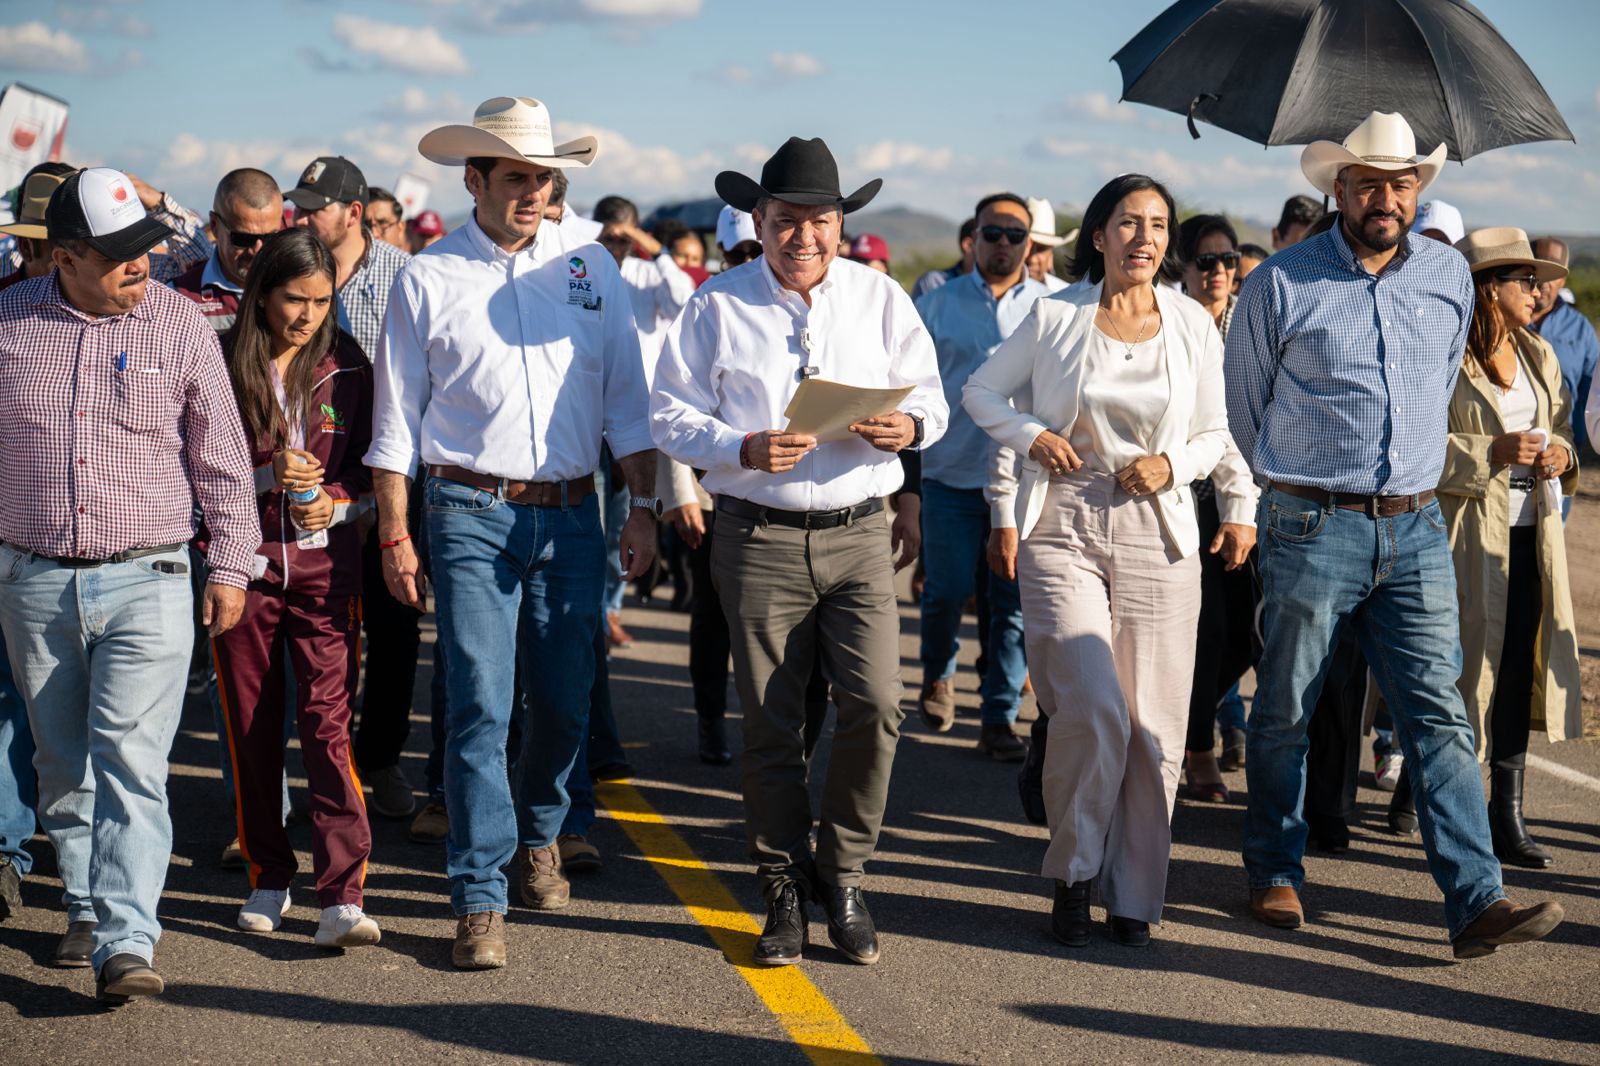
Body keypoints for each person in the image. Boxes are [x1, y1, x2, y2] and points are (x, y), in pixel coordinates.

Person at [1226, 110, 1563, 958]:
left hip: (1414, 526)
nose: (1385, 196)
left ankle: (1477, 902)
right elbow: (1245, 408)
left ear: (1419, 191)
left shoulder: (1448, 278)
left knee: (1438, 716)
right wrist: (1298, 484)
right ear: (1336, 189)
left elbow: (1437, 383)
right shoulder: (1282, 283)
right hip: (1311, 521)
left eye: (1400, 182)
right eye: (1368, 182)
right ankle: (1274, 867)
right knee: (1285, 709)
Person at [367, 96, 657, 970]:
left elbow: (627, 400)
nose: (532, 192)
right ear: (476, 179)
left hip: (575, 510)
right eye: (516, 178)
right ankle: (480, 894)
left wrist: (642, 504)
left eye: (543, 178)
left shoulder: (591, 267)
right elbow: (396, 421)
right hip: (466, 510)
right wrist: (393, 530)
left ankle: (543, 831)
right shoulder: (429, 275)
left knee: (566, 702)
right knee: (481, 705)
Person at [653, 136, 947, 967]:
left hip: (859, 533)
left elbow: (932, 397)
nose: (804, 237)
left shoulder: (881, 297)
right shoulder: (716, 303)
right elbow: (668, 416)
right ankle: (782, 886)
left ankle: (842, 870)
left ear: (841, 224)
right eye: (787, 221)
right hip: (758, 538)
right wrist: (739, 447)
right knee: (772, 725)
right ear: (759, 220)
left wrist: (911, 426)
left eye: (820, 221)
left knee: (878, 704)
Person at [965, 173, 1248, 949]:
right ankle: (1074, 869)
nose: (1145, 237)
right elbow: (981, 392)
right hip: (1064, 520)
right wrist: (1030, 437)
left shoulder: (1191, 322)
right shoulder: (1057, 315)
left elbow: (1215, 432)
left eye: (1158, 224)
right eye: (1129, 222)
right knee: (1091, 709)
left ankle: (1134, 894)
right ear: (1099, 236)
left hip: (1159, 530)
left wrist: (1174, 467)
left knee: (1154, 728)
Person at [0, 168, 259, 1003]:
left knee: (132, 760)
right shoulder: (6, 322)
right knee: (61, 762)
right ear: (63, 256)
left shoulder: (180, 324)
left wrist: (230, 564)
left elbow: (220, 459)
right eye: (116, 256)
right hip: (33, 578)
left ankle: (126, 940)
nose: (140, 267)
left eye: (144, 249)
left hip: (149, 575)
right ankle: (82, 900)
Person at [211, 228, 381, 946]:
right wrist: (263, 479)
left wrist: (336, 504)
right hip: (242, 571)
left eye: (321, 299)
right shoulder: (217, 358)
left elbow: (375, 473)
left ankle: (342, 893)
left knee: (328, 727)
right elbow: (195, 472)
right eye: (294, 299)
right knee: (251, 730)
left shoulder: (349, 363)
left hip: (325, 572)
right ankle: (269, 876)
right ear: (262, 294)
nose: (308, 315)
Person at [1438, 227, 1580, 868]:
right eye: (1524, 279)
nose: (1539, 288)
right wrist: (1486, 452)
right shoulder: (1442, 359)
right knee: (1464, 669)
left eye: (1539, 277)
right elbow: (1414, 449)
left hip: (1533, 533)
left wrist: (1563, 454)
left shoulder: (1540, 356)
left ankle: (1507, 813)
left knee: (1519, 665)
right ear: (1488, 290)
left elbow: (1570, 435)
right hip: (1465, 535)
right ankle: (1441, 796)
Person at [286, 155, 420, 819]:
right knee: (318, 631)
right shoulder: (292, 269)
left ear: (354, 212)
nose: (304, 213)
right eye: (301, 202)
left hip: (389, 483)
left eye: (316, 203)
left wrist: (385, 497)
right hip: (312, 486)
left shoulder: (405, 277)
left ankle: (383, 759)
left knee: (396, 627)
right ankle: (320, 768)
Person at [913, 192, 1046, 760]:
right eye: (993, 232)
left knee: (1012, 602)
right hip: (947, 473)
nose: (1003, 244)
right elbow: (910, 387)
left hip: (1020, 484)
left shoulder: (1051, 306)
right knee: (945, 592)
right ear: (974, 236)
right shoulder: (937, 304)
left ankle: (998, 716)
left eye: (1015, 235)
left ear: (1030, 243)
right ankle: (939, 675)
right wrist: (907, 489)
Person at [1174, 214, 1259, 803]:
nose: (1220, 272)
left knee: (1247, 638)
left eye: (1227, 260)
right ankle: (1198, 748)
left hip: (1247, 495)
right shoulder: (1168, 322)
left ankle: (1182, 724)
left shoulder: (1249, 322)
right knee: (1207, 631)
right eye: (1206, 262)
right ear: (1181, 267)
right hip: (1182, 494)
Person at [171, 169, 285, 333]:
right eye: (244, 239)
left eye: (270, 238)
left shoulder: (300, 286)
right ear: (215, 226)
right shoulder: (179, 298)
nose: (257, 250)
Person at [1528, 237, 1598, 463]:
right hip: (1507, 452)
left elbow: (1593, 391)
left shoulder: (1580, 328)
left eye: (1553, 273)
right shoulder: (1503, 322)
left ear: (1564, 278)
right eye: (1538, 269)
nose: (1543, 281)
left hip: (1561, 455)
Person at [912, 217, 977, 300]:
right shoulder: (934, 284)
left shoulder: (996, 291)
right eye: (991, 237)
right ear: (968, 245)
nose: (998, 245)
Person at [1025, 197, 1073, 293]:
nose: (1032, 259)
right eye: (1026, 247)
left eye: (1041, 249)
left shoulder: (1068, 297)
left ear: (1050, 256)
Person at [366, 187, 408, 251]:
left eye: (383, 223)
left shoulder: (412, 260)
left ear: (400, 228)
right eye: (366, 224)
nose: (374, 234)